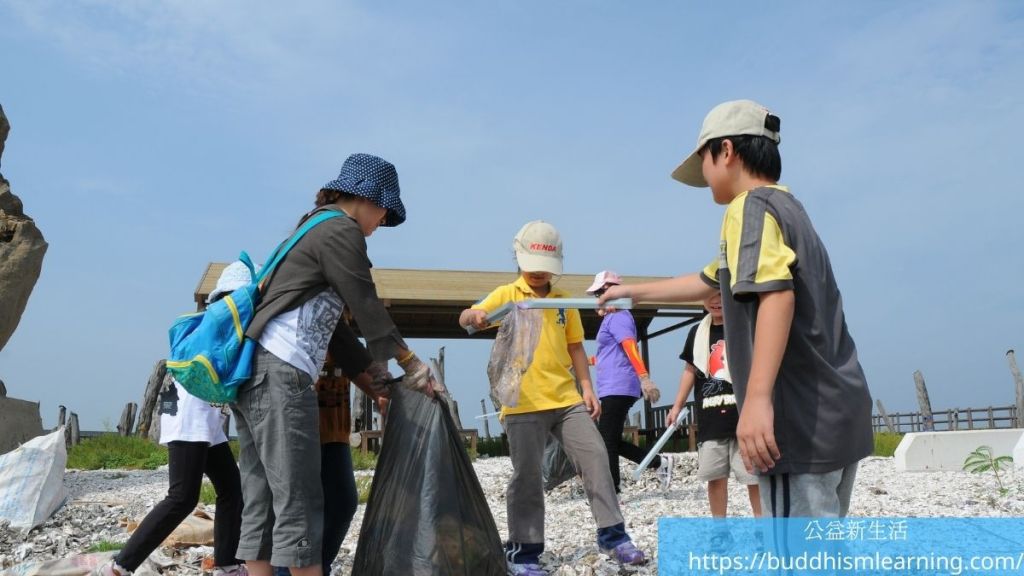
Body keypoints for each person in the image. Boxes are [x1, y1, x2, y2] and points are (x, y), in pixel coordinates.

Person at [599, 100, 873, 519]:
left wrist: (757, 401)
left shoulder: (748, 208)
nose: (706, 178)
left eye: (704, 163)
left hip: (796, 417)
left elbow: (776, 295)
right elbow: (708, 280)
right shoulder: (788, 208)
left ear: (725, 151)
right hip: (839, 409)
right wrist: (631, 293)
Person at [232, 153, 437, 576]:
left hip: (254, 373)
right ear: (368, 198)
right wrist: (412, 364)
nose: (381, 223)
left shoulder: (310, 229)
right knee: (300, 499)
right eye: (384, 212)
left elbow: (339, 335)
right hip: (281, 375)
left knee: (263, 498)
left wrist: (381, 384)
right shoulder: (340, 229)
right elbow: (366, 304)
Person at [459, 221, 646, 576]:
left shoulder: (565, 302)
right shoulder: (508, 294)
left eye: (546, 269)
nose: (539, 274)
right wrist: (477, 314)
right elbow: (467, 316)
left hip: (565, 398)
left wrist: (587, 388)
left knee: (594, 455)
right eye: (533, 267)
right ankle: (523, 552)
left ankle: (613, 534)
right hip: (523, 402)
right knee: (528, 475)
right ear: (519, 260)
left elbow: (575, 347)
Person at [94, 263, 251, 576]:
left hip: (200, 414)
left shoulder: (212, 319)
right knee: (182, 496)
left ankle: (228, 565)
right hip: (192, 412)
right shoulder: (227, 321)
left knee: (232, 488)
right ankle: (119, 567)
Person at [667, 290, 761, 518]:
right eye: (709, 295)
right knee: (715, 478)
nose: (716, 300)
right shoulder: (697, 332)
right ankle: (719, 528)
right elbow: (690, 369)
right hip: (711, 419)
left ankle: (763, 527)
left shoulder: (746, 325)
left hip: (745, 418)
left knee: (754, 478)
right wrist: (677, 405)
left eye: (721, 294)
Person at [585, 270, 673, 492]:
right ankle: (658, 462)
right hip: (612, 386)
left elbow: (630, 347)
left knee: (605, 439)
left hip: (619, 386)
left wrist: (645, 378)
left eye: (599, 292)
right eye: (596, 294)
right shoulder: (611, 317)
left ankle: (612, 489)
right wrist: (582, 361)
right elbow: (609, 356)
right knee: (610, 438)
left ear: (611, 292)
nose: (597, 297)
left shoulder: (618, 316)